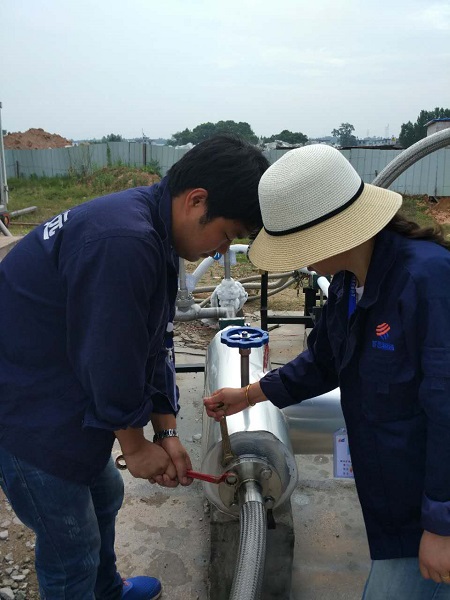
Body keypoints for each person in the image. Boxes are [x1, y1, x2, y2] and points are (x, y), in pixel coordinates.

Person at [0, 134, 269, 600]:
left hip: (58, 377)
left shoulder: (155, 226)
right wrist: (134, 442)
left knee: (105, 496)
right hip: (26, 405)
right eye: (226, 235)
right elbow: (109, 355)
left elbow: (150, 338)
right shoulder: (124, 241)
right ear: (197, 200)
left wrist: (165, 432)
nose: (223, 251)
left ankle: (106, 590)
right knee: (72, 548)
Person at [204, 144, 450, 599]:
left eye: (302, 246)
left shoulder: (428, 281)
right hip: (394, 497)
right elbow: (322, 363)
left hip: (428, 507)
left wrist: (441, 526)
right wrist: (251, 395)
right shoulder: (348, 283)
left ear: (336, 233)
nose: (304, 260)